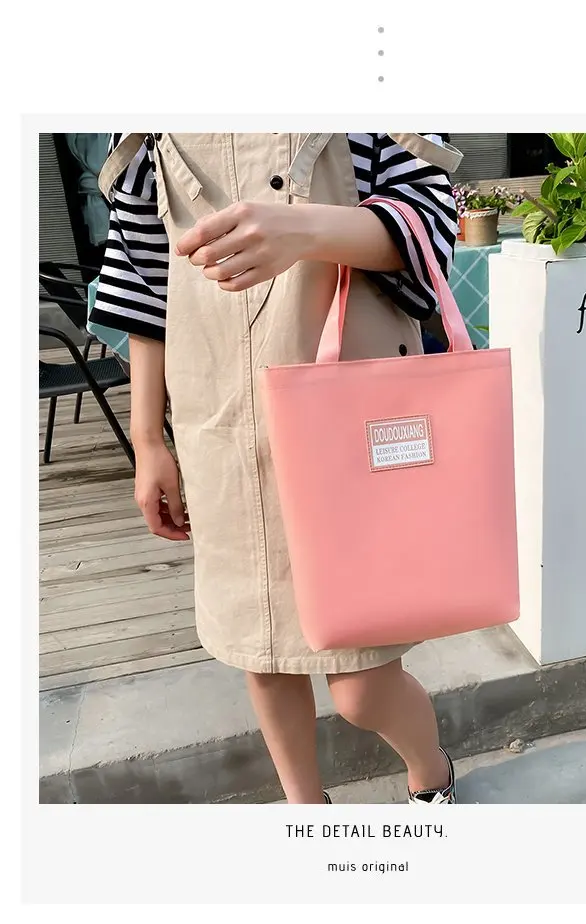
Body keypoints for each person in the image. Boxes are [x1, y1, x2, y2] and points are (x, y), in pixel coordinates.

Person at [91, 132, 462, 805]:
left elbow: (431, 224)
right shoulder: (147, 120)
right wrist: (147, 439)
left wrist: (304, 229)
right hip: (219, 419)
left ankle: (430, 772)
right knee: (259, 649)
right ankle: (305, 813)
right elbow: (142, 282)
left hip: (348, 409)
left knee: (361, 684)